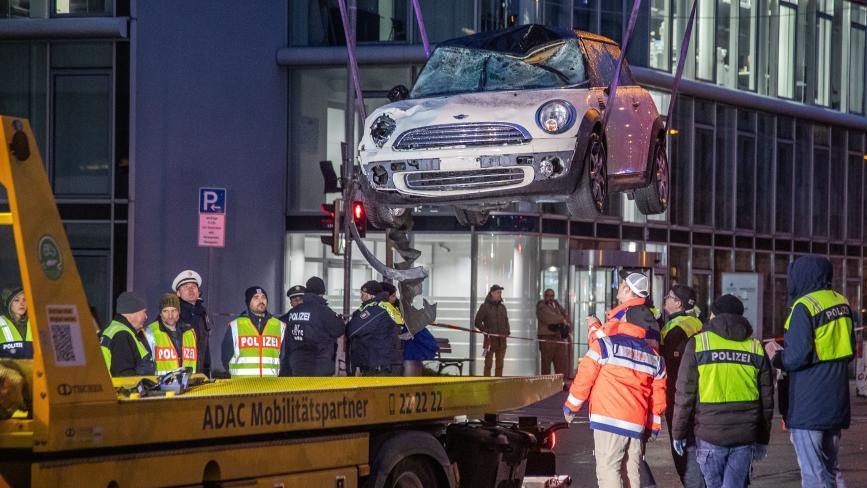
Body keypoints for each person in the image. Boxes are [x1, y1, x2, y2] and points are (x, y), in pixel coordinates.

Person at [764, 255, 855, 488]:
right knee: (831, 469)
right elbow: (848, 349)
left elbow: (796, 358)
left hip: (809, 404)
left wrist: (775, 355)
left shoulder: (804, 306)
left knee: (813, 474)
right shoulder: (841, 303)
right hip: (836, 401)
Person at [672, 294, 773, 488]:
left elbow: (684, 395)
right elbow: (766, 401)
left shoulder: (699, 344)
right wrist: (763, 438)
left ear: (713, 316)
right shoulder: (755, 347)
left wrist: (679, 433)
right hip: (745, 435)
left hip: (710, 434)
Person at [563, 307, 666, 488]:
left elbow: (585, 377)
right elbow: (658, 396)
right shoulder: (654, 358)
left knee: (609, 469)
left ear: (626, 321)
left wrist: (571, 407)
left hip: (608, 419)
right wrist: (653, 426)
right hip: (636, 424)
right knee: (631, 471)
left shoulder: (606, 345)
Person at [660, 284, 705, 488]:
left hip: (678, 395)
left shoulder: (674, 329)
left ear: (678, 303)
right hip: (701, 394)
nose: (665, 300)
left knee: (683, 451)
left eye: (669, 297)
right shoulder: (698, 324)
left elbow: (670, 365)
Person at [280, 277, 344, 376]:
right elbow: (338, 329)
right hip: (319, 366)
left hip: (297, 367)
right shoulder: (322, 310)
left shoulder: (292, 313)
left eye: (299, 298)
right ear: (322, 292)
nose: (297, 301)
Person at [220, 287, 286, 377]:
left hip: (270, 385)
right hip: (242, 386)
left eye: (263, 297)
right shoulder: (235, 326)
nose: (261, 300)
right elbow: (226, 358)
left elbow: (283, 357)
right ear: (248, 302)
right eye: (256, 297)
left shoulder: (279, 326)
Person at [382, 281, 438, 376]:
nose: (396, 297)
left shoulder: (398, 306)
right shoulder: (388, 308)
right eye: (393, 296)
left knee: (411, 356)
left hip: (411, 342)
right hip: (408, 343)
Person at [346, 281, 402, 376]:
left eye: (363, 294)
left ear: (371, 296)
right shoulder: (382, 307)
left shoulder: (375, 310)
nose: (361, 297)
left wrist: (351, 323)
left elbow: (352, 329)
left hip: (377, 365)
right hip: (380, 362)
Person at [100, 292, 155, 377]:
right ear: (133, 312)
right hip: (122, 390)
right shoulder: (122, 335)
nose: (146, 317)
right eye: (144, 312)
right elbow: (124, 377)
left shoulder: (112, 328)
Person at [144, 293, 197, 376]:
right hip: (161, 386)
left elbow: (198, 362)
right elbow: (145, 365)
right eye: (165, 311)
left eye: (173, 310)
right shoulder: (151, 332)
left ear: (179, 312)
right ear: (160, 313)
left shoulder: (190, 332)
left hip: (189, 385)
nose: (170, 315)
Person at [172, 270, 211, 374]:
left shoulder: (202, 314)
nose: (190, 289)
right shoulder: (172, 314)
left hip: (199, 375)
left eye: (193, 286)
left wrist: (207, 373)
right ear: (178, 293)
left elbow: (205, 348)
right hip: (179, 375)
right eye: (185, 287)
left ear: (198, 291)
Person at [475, 285, 510, 376]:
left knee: (500, 365)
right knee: (488, 365)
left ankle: (498, 384)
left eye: (500, 292)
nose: (500, 294)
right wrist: (486, 331)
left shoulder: (502, 307)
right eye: (498, 292)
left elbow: (506, 320)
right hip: (489, 341)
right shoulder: (485, 306)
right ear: (492, 293)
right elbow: (477, 322)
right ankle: (487, 384)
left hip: (502, 341)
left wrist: (507, 332)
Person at [536, 288, 571, 377]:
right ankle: (546, 385)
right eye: (548, 295)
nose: (550, 298)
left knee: (560, 363)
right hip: (547, 338)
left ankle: (560, 383)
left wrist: (564, 320)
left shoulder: (557, 305)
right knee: (546, 364)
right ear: (544, 296)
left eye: (552, 296)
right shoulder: (541, 306)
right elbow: (549, 318)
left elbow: (566, 315)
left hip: (558, 337)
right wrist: (561, 319)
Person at [0, 287, 31, 359]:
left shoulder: (35, 322)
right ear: (9, 304)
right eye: (16, 300)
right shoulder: (0, 323)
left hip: (34, 369)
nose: (22, 304)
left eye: (24, 299)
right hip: (8, 369)